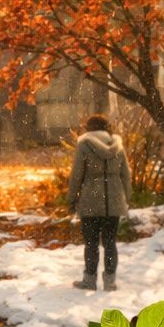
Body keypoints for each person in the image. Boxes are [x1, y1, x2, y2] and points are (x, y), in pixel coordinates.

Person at [67, 113, 133, 291]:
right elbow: (126, 174)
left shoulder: (84, 144)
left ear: (89, 128)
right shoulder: (117, 145)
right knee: (110, 242)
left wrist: (71, 199)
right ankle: (110, 282)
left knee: (91, 243)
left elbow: (76, 175)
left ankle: (89, 280)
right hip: (114, 199)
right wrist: (127, 198)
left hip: (90, 200)